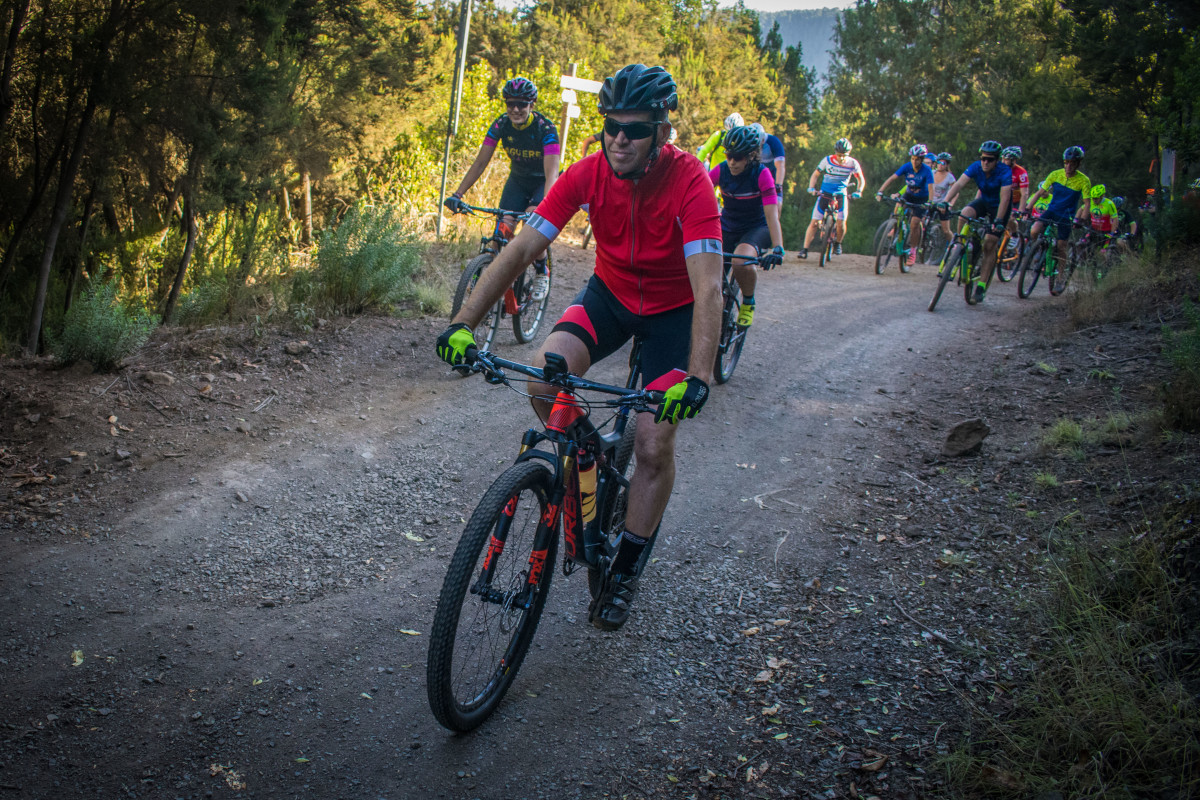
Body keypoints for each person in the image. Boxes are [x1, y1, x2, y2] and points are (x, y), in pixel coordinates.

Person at [436, 64, 723, 633]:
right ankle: (587, 449)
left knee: (650, 441)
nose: (620, 137)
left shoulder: (691, 181)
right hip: (611, 296)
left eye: (636, 129)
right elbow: (519, 251)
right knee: (545, 380)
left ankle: (625, 571)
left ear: (662, 133)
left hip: (672, 311)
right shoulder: (586, 173)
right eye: (611, 125)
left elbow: (709, 285)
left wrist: (698, 376)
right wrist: (462, 323)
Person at [445, 77, 561, 301]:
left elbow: (552, 175)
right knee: (500, 233)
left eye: (522, 104)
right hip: (517, 181)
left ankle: (541, 270)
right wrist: (458, 194)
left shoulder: (545, 129)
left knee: (532, 228)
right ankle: (486, 283)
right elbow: (480, 163)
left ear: (532, 105)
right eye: (510, 104)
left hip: (541, 183)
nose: (516, 109)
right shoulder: (501, 125)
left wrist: (546, 210)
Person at [708, 125, 785, 327]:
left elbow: (772, 215)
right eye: (728, 155)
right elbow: (698, 194)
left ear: (751, 156)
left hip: (756, 227)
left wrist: (778, 247)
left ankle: (748, 302)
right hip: (728, 224)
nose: (732, 162)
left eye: (738, 157)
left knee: (740, 262)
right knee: (707, 267)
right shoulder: (722, 170)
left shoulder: (762, 174)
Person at [937, 140, 1013, 303]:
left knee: (990, 244)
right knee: (964, 214)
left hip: (999, 207)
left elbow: (1005, 198)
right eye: (983, 158)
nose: (985, 162)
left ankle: (981, 286)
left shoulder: (1004, 171)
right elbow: (959, 184)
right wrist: (946, 200)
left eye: (990, 159)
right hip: (984, 201)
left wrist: (999, 220)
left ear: (997, 160)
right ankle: (962, 244)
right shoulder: (976, 166)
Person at [1024, 146, 1091, 273]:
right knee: (1034, 230)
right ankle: (1039, 248)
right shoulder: (1055, 174)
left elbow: (1087, 204)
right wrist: (1028, 209)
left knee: (1061, 247)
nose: (1069, 166)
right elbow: (1039, 193)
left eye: (1072, 163)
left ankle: (1060, 276)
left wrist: (1081, 220)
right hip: (1052, 210)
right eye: (1066, 162)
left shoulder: (1084, 180)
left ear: (1078, 164)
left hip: (1067, 215)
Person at [800, 137, 866, 259]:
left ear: (848, 154)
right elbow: (815, 175)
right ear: (835, 152)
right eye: (839, 155)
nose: (841, 158)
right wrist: (811, 187)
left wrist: (859, 191)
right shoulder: (827, 160)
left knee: (841, 222)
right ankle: (804, 249)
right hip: (825, 193)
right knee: (814, 222)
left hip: (841, 194)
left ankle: (838, 243)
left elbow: (860, 179)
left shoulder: (853, 163)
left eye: (844, 155)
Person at [875, 144, 935, 267]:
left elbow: (930, 188)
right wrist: (880, 191)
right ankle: (894, 226)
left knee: (914, 224)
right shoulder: (907, 167)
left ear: (922, 159)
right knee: (898, 205)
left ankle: (913, 251)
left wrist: (930, 202)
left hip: (921, 199)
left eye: (917, 159)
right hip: (909, 194)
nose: (914, 161)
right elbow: (892, 178)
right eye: (912, 158)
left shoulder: (927, 170)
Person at [750, 122, 787, 199]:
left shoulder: (773, 142)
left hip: (773, 170)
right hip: (758, 169)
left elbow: (780, 166)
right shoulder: (748, 143)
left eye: (759, 144)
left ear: (763, 140)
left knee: (777, 201)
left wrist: (778, 185)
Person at [931, 152, 956, 240]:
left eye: (943, 163)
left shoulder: (950, 177)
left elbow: (955, 192)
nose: (940, 165)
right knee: (920, 222)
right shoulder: (932, 173)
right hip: (930, 202)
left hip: (942, 205)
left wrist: (950, 205)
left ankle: (954, 248)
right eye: (938, 162)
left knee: (946, 230)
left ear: (947, 165)